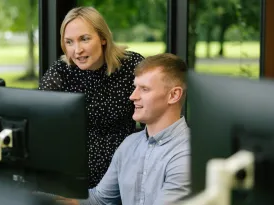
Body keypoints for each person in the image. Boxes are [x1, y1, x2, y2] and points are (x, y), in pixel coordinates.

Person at [55, 53, 191, 205]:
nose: (133, 96)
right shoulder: (130, 144)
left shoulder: (188, 153)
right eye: (135, 87)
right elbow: (100, 199)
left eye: (144, 89)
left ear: (174, 95)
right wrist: (49, 199)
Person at [39, 7, 144, 188]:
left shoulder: (131, 66)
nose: (77, 50)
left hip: (123, 173)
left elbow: (152, 124)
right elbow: (37, 117)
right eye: (69, 42)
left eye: (84, 39)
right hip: (72, 175)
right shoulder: (61, 71)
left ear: (103, 38)